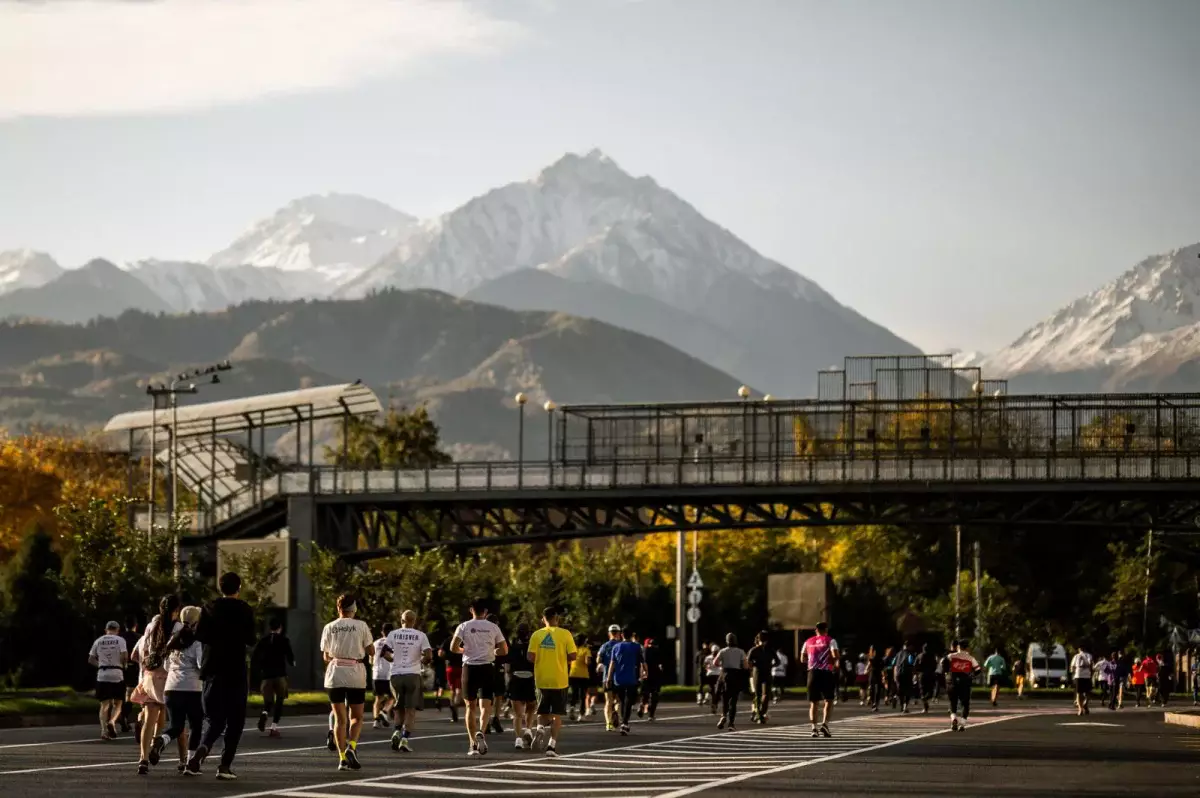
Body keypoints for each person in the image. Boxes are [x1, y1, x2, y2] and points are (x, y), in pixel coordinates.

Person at [188, 573, 255, 780]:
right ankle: (224, 766)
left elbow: (199, 635)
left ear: (220, 588)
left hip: (212, 668)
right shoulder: (245, 609)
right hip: (235, 668)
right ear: (239, 587)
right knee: (235, 720)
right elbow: (251, 639)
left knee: (215, 719)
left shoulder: (209, 607)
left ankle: (202, 750)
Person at [321, 594, 374, 771]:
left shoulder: (329, 627)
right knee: (356, 717)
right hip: (355, 672)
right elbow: (371, 650)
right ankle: (352, 746)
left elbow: (326, 655)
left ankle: (342, 758)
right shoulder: (361, 626)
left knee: (339, 719)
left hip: (335, 673)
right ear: (354, 609)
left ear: (338, 608)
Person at [450, 598, 508, 757]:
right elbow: (504, 650)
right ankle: (481, 732)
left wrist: (464, 651)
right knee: (486, 706)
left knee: (470, 706)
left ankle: (472, 744)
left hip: (469, 668)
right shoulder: (493, 627)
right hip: (487, 667)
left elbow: (453, 647)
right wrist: (494, 652)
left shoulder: (463, 626)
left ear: (471, 610)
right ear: (486, 612)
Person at [151, 605, 204, 775]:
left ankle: (162, 739)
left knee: (175, 726)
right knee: (196, 726)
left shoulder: (173, 639)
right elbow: (201, 665)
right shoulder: (197, 641)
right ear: (197, 621)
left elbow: (166, 665)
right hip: (192, 689)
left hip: (171, 688)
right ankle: (190, 764)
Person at [131, 595, 180, 775]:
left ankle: (142, 760)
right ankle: (157, 745)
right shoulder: (179, 628)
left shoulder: (151, 627)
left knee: (149, 720)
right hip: (169, 678)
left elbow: (141, 652)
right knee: (169, 717)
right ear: (177, 611)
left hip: (150, 676)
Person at [528, 606, 577, 757]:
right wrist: (560, 657)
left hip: (542, 678)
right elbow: (573, 656)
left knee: (542, 710)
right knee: (556, 714)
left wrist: (543, 658)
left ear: (543, 619)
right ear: (557, 618)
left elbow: (530, 657)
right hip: (559, 679)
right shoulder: (565, 634)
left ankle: (540, 728)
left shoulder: (537, 634)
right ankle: (551, 746)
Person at [387, 610, 432, 753]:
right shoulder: (420, 636)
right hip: (412, 674)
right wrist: (421, 661)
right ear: (415, 621)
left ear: (402, 620)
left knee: (398, 707)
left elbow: (386, 653)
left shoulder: (392, 634)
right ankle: (404, 740)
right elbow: (429, 655)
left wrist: (395, 659)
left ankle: (395, 732)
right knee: (410, 710)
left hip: (395, 675)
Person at [253, 617, 295, 738]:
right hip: (280, 675)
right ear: (280, 628)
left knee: (268, 701)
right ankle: (274, 727)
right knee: (280, 700)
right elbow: (290, 656)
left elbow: (256, 656)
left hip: (266, 676)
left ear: (269, 628)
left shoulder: (263, 640)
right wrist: (292, 662)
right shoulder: (284, 640)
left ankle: (265, 713)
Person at [88, 620, 129, 741]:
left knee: (104, 704)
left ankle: (104, 731)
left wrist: (100, 664)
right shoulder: (120, 640)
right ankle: (112, 722)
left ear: (106, 630)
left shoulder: (99, 641)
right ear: (117, 630)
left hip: (102, 674)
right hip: (117, 673)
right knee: (118, 703)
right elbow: (124, 656)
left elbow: (90, 659)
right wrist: (123, 664)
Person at [801, 622, 839, 738]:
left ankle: (813, 728)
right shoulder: (830, 640)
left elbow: (802, 658)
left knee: (814, 702)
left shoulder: (808, 641)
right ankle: (825, 725)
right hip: (826, 672)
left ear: (816, 630)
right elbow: (835, 655)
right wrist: (835, 664)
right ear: (826, 629)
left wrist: (813, 660)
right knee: (829, 700)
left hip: (812, 672)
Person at [606, 626, 645, 735]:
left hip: (618, 679)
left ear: (622, 635)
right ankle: (625, 723)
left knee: (623, 701)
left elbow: (612, 664)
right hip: (632, 678)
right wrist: (645, 672)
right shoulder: (637, 647)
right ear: (632, 635)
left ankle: (623, 721)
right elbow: (642, 662)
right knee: (629, 702)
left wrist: (608, 678)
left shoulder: (616, 647)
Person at [506, 623, 537, 749]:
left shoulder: (512, 647)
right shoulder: (533, 647)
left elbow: (507, 668)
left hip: (516, 679)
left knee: (518, 714)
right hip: (530, 679)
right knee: (531, 708)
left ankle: (518, 739)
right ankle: (528, 729)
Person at [715, 633, 748, 731]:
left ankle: (723, 715)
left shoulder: (722, 651)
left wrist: (722, 665)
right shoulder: (741, 652)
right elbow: (745, 666)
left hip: (725, 674)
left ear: (727, 641)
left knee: (725, 697)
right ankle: (731, 723)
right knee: (733, 700)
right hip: (736, 675)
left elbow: (715, 662)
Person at [945, 640, 980, 731]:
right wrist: (971, 676)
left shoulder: (950, 656)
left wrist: (947, 673)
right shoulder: (970, 658)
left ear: (958, 647)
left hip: (952, 682)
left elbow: (943, 664)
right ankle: (963, 724)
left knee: (953, 703)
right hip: (965, 683)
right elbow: (978, 670)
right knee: (965, 704)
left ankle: (953, 719)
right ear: (967, 647)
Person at [747, 632, 778, 724]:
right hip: (757, 673)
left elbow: (777, 661)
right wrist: (753, 665)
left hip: (764, 673)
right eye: (762, 641)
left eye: (764, 641)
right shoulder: (754, 650)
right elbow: (747, 661)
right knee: (759, 694)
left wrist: (772, 665)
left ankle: (760, 713)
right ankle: (759, 715)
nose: (763, 643)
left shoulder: (769, 650)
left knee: (765, 695)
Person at [596, 625, 623, 731]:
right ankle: (616, 713)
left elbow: (598, 659)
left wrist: (602, 664)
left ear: (609, 633)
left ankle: (609, 724)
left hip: (607, 677)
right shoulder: (621, 645)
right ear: (619, 633)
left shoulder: (605, 646)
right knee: (619, 701)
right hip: (619, 678)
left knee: (608, 701)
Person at [367, 623, 393, 730]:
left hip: (377, 673)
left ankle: (376, 721)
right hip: (389, 674)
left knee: (378, 699)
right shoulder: (393, 642)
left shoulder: (375, 643)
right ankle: (385, 711)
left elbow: (371, 660)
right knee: (394, 697)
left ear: (382, 632)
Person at [119, 616, 141, 735]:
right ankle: (124, 716)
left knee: (120, 694)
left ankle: (120, 716)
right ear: (135, 626)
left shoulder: (120, 638)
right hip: (133, 668)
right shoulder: (139, 637)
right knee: (129, 694)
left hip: (119, 668)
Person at [568, 633, 592, 721]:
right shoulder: (586, 650)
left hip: (573, 673)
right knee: (583, 695)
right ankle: (581, 715)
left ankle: (572, 707)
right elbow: (587, 662)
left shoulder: (572, 649)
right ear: (584, 641)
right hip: (583, 675)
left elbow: (568, 661)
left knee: (574, 693)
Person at [639, 637, 664, 721]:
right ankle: (651, 715)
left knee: (644, 693)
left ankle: (642, 704)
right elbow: (661, 665)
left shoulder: (644, 650)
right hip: (655, 675)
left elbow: (642, 662)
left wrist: (642, 673)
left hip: (646, 674)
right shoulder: (658, 651)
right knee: (654, 695)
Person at [441, 636, 463, 724]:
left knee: (452, 690)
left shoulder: (448, 640)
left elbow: (440, 653)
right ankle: (455, 705)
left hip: (450, 668)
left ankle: (452, 706)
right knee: (459, 690)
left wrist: (445, 657)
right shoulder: (464, 640)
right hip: (461, 667)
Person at [1071, 644, 1094, 715]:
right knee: (1088, 692)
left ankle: (1080, 709)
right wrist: (1091, 674)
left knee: (1079, 693)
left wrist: (1074, 674)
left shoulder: (1076, 656)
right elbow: (1091, 665)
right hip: (1087, 675)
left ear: (1079, 649)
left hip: (1078, 675)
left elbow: (1072, 667)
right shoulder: (1089, 655)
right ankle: (1085, 703)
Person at [916, 644, 938, 714]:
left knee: (922, 690)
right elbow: (935, 665)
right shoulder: (932, 656)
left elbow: (915, 665)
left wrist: (916, 674)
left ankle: (925, 705)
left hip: (922, 675)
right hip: (930, 674)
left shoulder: (919, 656)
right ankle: (926, 699)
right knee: (930, 690)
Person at [893, 642, 915, 714]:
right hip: (907, 674)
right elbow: (911, 662)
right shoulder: (910, 654)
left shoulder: (898, 654)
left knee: (900, 689)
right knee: (908, 690)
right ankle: (905, 707)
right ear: (909, 647)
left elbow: (893, 663)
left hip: (898, 674)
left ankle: (900, 703)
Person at [703, 643, 722, 716]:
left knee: (712, 689)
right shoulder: (720, 657)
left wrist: (708, 669)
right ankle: (714, 704)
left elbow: (704, 666)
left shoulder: (708, 657)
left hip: (710, 674)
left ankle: (707, 697)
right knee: (717, 691)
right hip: (717, 674)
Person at [866, 645, 884, 712]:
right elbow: (869, 665)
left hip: (874, 675)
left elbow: (869, 665)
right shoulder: (874, 659)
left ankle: (874, 704)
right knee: (875, 690)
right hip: (875, 675)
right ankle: (875, 704)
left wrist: (866, 670)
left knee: (874, 690)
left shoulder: (873, 658)